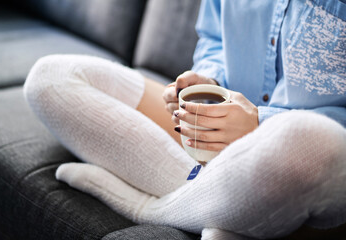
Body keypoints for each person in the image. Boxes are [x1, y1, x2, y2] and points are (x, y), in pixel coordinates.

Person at [23, 0, 346, 239]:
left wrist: (260, 122)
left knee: (308, 139)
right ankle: (227, 208)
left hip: (314, 159)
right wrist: (209, 82)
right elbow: (213, 39)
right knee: (51, 79)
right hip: (215, 131)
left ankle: (150, 209)